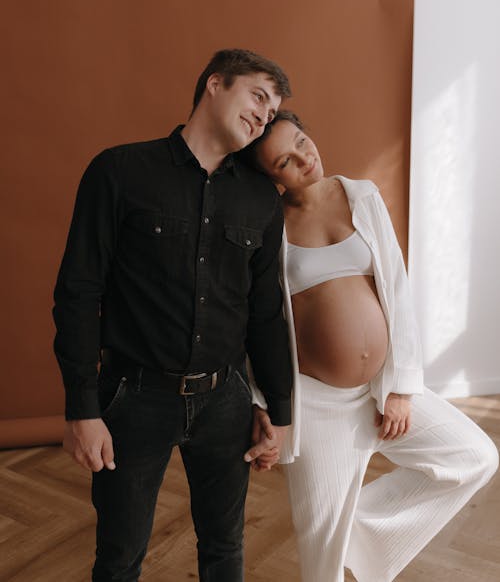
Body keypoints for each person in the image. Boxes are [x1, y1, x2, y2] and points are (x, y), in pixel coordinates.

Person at [52, 48, 294, 582]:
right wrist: (82, 407)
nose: (263, 115)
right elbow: (77, 292)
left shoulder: (261, 200)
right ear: (214, 84)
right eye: (257, 95)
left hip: (226, 400)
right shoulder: (118, 172)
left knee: (225, 550)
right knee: (119, 557)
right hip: (132, 399)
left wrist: (277, 409)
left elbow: (267, 313)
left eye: (271, 111)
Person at [243, 110, 499, 582]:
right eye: (284, 160)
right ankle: (333, 531)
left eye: (302, 141)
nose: (304, 158)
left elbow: (396, 291)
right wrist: (262, 405)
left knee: (473, 456)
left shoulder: (360, 195)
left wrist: (400, 387)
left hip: (380, 392)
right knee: (322, 565)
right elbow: (255, 323)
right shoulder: (266, 225)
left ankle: (349, 530)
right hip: (316, 402)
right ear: (267, 175)